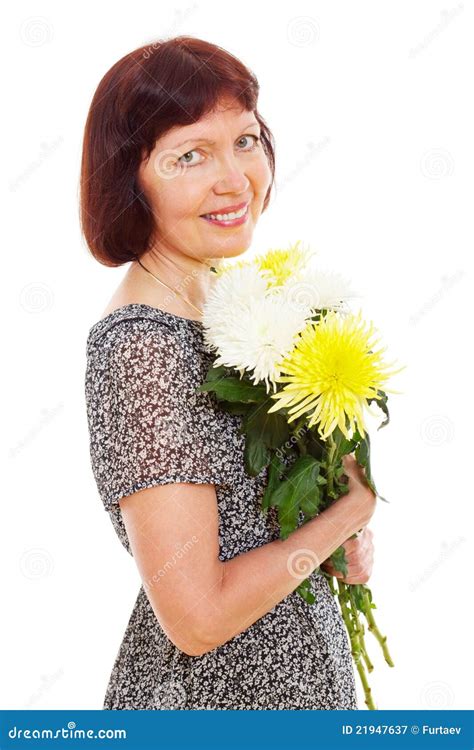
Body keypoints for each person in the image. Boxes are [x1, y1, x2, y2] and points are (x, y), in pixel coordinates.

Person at [82, 35, 376, 710]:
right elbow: (197, 619)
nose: (235, 179)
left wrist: (328, 537)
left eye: (245, 140)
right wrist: (349, 510)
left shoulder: (224, 304)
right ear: (131, 181)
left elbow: (251, 529)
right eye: (190, 155)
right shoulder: (141, 348)